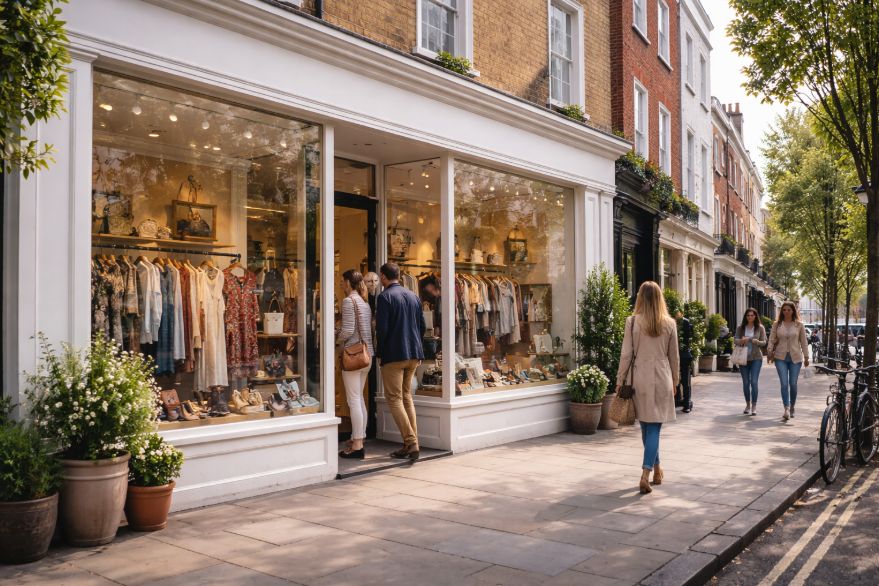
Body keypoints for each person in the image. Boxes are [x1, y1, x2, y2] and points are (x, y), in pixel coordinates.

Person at [616, 281, 679, 494]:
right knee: (654, 428)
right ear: (660, 298)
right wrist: (676, 381)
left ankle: (655, 470)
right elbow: (674, 357)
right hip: (662, 376)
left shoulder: (632, 322)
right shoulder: (670, 323)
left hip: (639, 377)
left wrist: (620, 378)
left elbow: (626, 354)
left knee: (646, 427)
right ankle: (648, 471)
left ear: (640, 298)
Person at [375, 262, 426, 461]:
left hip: (394, 354)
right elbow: (422, 326)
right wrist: (418, 348)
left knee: (394, 399)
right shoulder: (413, 296)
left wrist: (380, 353)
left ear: (383, 277)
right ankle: (411, 444)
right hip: (413, 353)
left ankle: (411, 442)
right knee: (406, 397)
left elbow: (382, 330)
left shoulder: (385, 297)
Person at [336, 270, 374, 459]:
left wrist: (335, 337)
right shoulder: (364, 303)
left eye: (343, 282)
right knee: (359, 399)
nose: (342, 285)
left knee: (353, 400)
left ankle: (357, 445)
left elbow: (348, 331)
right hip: (367, 356)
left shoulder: (349, 301)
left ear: (348, 282)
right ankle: (359, 437)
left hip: (353, 355)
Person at [767, 301, 810, 421]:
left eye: (789, 310)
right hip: (780, 357)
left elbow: (804, 342)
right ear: (782, 311)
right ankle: (786, 408)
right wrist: (770, 350)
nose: (786, 312)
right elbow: (771, 339)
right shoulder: (777, 324)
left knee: (793, 384)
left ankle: (792, 406)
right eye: (784, 310)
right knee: (784, 384)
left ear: (793, 311)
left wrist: (806, 357)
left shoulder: (799, 325)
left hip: (795, 358)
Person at [735, 307, 767, 416]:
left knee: (753, 382)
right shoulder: (741, 328)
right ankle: (747, 405)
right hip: (743, 358)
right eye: (748, 315)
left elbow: (764, 342)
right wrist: (743, 340)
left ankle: (754, 405)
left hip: (756, 358)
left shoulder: (760, 328)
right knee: (745, 382)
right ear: (745, 317)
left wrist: (757, 341)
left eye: (752, 315)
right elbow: (735, 340)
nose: (750, 317)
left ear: (755, 316)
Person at [675, 309, 693, 413]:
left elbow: (688, 338)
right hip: (675, 355)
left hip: (684, 355)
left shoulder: (685, 322)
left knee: (685, 380)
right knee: (675, 379)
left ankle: (686, 403)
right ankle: (678, 400)